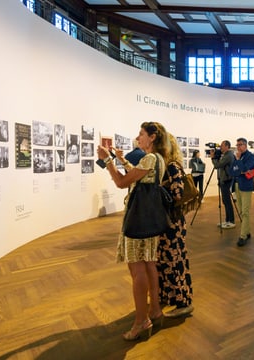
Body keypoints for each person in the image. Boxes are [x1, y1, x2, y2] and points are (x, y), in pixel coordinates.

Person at [97, 121, 168, 341]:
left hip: (138, 221)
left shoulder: (149, 158)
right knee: (149, 265)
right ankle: (154, 311)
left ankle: (141, 321)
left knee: (137, 270)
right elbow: (138, 175)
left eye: (141, 134)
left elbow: (120, 182)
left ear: (153, 137)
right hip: (150, 221)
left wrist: (107, 159)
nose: (138, 138)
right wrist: (121, 159)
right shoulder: (158, 160)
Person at [159, 133, 194, 318]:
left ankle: (183, 302)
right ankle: (168, 296)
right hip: (164, 222)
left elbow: (177, 193)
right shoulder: (165, 166)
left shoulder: (172, 167)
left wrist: (155, 190)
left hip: (172, 223)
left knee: (175, 261)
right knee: (164, 261)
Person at [232, 137, 254, 246]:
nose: (238, 147)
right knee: (241, 211)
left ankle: (243, 236)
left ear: (245, 145)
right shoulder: (238, 156)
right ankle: (247, 231)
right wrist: (239, 169)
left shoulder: (250, 156)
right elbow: (233, 171)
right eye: (237, 145)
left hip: (246, 186)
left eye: (240, 144)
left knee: (245, 211)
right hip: (237, 184)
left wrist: (238, 163)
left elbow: (245, 168)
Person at [211, 141, 236, 229]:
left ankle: (231, 221)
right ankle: (227, 220)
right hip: (224, 179)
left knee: (227, 201)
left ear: (227, 146)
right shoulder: (226, 155)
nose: (220, 147)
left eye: (222, 146)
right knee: (225, 201)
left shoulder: (228, 155)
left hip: (226, 180)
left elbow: (217, 165)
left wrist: (213, 158)